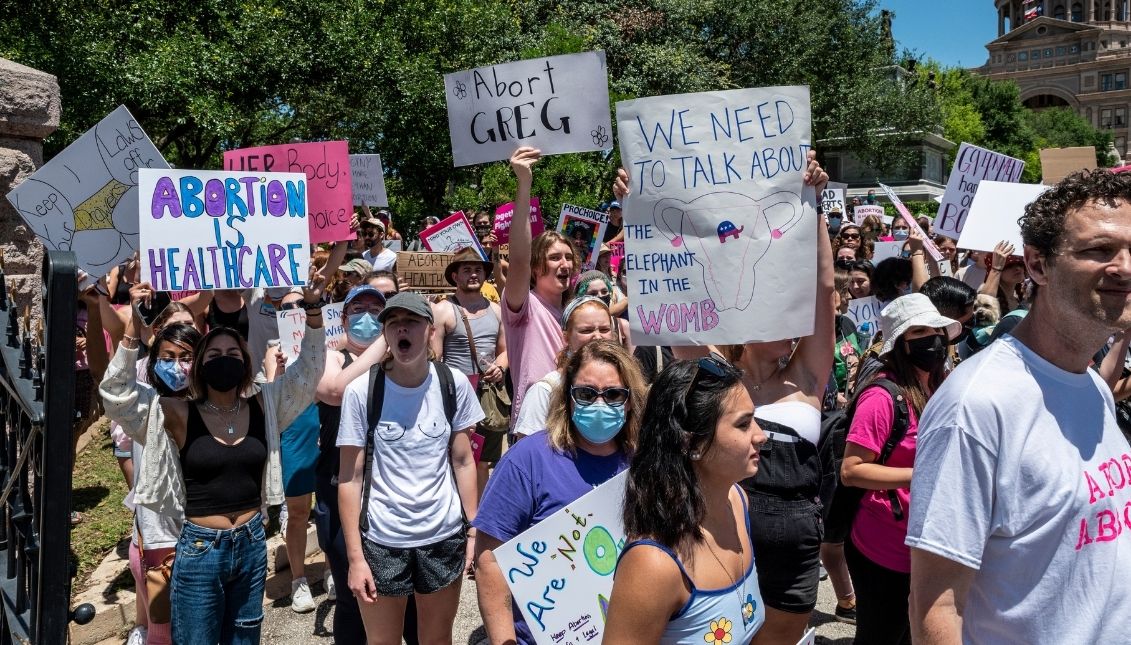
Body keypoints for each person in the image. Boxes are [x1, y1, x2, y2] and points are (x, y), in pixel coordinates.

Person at [907, 169, 1131, 644]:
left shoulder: (1090, 385)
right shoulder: (977, 405)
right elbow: (937, 607)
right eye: (1099, 250)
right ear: (1037, 265)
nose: (1125, 267)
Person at [126, 277, 325, 644]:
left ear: (246, 363)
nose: (224, 361)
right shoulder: (177, 412)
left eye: (233, 355)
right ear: (200, 365)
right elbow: (118, 396)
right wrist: (130, 332)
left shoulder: (264, 404)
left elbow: (308, 373)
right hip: (201, 549)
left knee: (245, 637)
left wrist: (314, 313)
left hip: (250, 545)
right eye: (214, 355)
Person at [473, 340, 645, 644]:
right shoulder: (527, 459)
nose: (600, 404)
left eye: (614, 394)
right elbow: (490, 561)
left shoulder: (643, 461)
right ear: (568, 397)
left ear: (630, 400)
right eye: (586, 394)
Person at [336, 292, 483, 644]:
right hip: (381, 542)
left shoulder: (453, 383)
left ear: (429, 331)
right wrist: (355, 558)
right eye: (393, 323)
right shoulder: (361, 391)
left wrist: (474, 530)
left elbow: (463, 461)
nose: (402, 329)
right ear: (385, 333)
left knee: (436, 639)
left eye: (412, 322)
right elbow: (349, 478)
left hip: (443, 537)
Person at [604, 354, 768, 643]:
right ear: (691, 443)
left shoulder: (738, 502)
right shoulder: (652, 564)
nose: (761, 435)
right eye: (743, 425)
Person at [841, 293, 959, 645]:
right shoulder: (882, 397)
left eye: (936, 329)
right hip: (886, 547)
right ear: (900, 345)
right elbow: (852, 469)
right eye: (919, 331)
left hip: (931, 541)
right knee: (883, 636)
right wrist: (919, 475)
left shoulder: (942, 384)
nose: (932, 339)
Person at [101, 292, 203, 645]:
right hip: (160, 528)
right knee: (162, 618)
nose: (178, 365)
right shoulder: (144, 402)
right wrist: (132, 323)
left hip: (203, 528)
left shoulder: (212, 401)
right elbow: (115, 389)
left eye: (187, 354)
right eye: (169, 354)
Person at [313, 284, 387, 642]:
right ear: (343, 318)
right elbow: (335, 391)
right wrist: (385, 340)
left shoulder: (397, 361)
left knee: (395, 593)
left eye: (378, 309)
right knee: (350, 594)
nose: (368, 316)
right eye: (359, 308)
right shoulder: (330, 356)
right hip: (336, 487)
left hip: (386, 492)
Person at [501, 147, 577, 424]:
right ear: (536, 268)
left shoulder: (575, 314)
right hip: (536, 423)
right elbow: (518, 259)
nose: (564, 264)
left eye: (569, 257)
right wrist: (524, 184)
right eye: (555, 257)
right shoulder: (525, 306)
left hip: (576, 420)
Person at [430, 247, 509, 495]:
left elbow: (505, 351)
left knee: (482, 462)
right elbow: (434, 359)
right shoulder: (443, 310)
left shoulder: (497, 310)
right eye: (467, 270)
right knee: (456, 459)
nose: (473, 275)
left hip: (488, 397)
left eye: (478, 270)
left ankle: (478, 519)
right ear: (455, 276)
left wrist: (500, 367)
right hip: (454, 399)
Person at [512, 296, 618, 438]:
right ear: (566, 337)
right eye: (586, 331)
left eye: (604, 329)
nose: (597, 337)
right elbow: (528, 455)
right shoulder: (545, 391)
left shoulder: (623, 383)